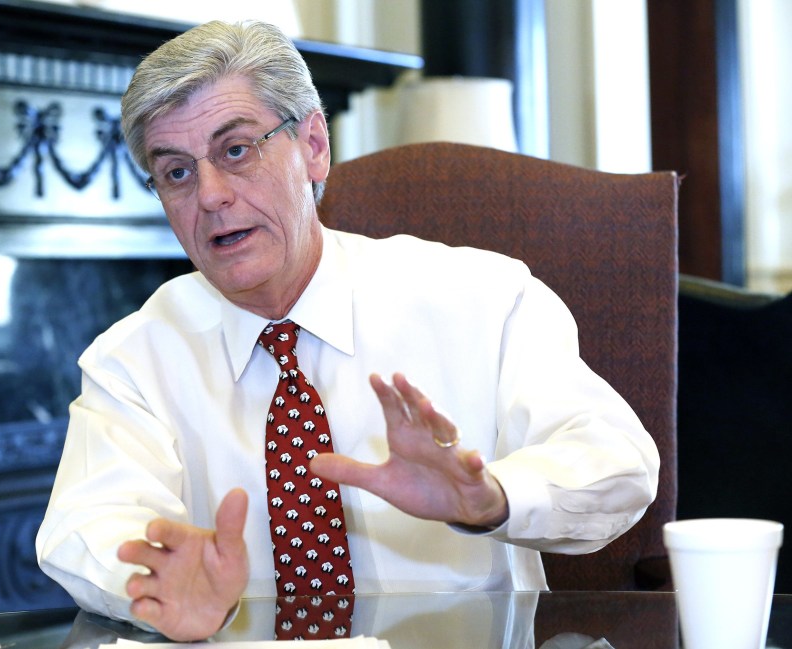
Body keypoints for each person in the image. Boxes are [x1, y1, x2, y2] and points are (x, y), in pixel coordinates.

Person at [36, 19, 659, 643]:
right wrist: (156, 581)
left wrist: (490, 497)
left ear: (313, 145)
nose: (211, 195)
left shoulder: (484, 299)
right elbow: (88, 522)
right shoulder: (134, 357)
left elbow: (616, 463)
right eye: (176, 173)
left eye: (236, 150)